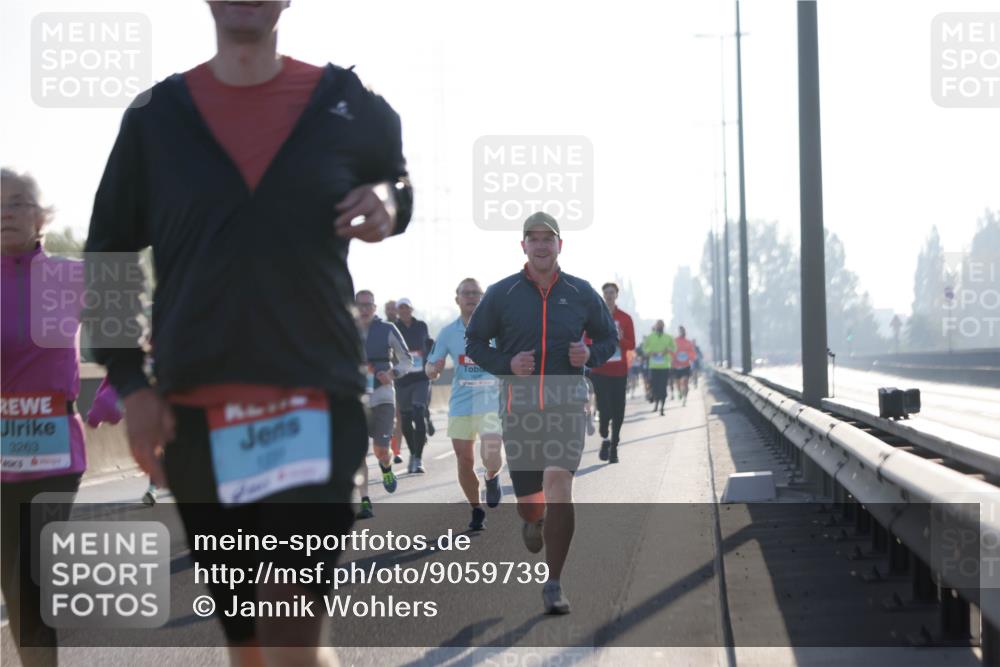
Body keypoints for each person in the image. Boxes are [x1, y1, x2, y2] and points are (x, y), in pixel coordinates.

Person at [83, 2, 413, 663]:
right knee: (249, 643)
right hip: (197, 422)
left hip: (316, 404)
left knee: (290, 622)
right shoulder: (155, 119)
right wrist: (131, 385)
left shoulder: (345, 100)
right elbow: (108, 255)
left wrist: (391, 205)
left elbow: (398, 179)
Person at [466, 212, 617, 615]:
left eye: (547, 238)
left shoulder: (581, 292)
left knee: (559, 485)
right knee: (532, 503)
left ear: (559, 245)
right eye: (533, 239)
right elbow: (475, 341)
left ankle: (553, 582)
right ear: (523, 246)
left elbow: (608, 338)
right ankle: (533, 520)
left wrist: (590, 355)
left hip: (567, 404)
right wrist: (506, 364)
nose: (541, 245)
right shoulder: (502, 293)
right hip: (520, 410)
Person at [1, 168, 121, 667]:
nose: (6, 212)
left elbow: (133, 328)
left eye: (19, 202)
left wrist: (116, 391)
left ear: (42, 216)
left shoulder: (70, 275)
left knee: (28, 583)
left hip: (51, 450)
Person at [426, 278, 504, 531]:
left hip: (491, 401)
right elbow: (430, 366)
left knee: (491, 455)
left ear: (482, 298)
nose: (471, 297)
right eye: (466, 293)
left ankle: (492, 476)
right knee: (464, 460)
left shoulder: (497, 329)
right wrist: (433, 370)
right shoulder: (448, 332)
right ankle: (476, 508)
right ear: (457, 298)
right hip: (461, 404)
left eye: (475, 293)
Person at [356, 290, 413, 519]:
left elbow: (407, 359)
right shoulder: (345, 330)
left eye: (368, 305)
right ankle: (365, 501)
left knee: (381, 450)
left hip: (383, 397)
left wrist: (393, 372)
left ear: (375, 307)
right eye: (360, 305)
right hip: (355, 399)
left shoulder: (387, 329)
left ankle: (386, 467)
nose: (364, 309)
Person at [589, 283, 635, 464]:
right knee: (604, 408)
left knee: (618, 410)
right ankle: (604, 434)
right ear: (603, 295)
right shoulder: (595, 316)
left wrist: (620, 338)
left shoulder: (625, 318)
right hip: (599, 369)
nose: (609, 295)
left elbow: (631, 345)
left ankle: (613, 446)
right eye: (606, 293)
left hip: (619, 370)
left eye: (612, 293)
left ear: (616, 295)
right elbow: (587, 339)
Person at [394, 297, 432, 473]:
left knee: (418, 412)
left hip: (421, 378)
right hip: (402, 380)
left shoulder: (421, 326)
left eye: (407, 308)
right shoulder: (393, 328)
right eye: (401, 308)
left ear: (411, 309)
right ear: (397, 311)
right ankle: (412, 452)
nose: (404, 311)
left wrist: (432, 358)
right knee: (406, 420)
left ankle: (418, 458)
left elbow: (429, 343)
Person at [642, 321, 675, 415]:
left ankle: (662, 408)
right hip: (653, 366)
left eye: (661, 325)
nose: (659, 327)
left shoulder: (668, 337)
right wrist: (650, 352)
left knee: (663, 387)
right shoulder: (650, 337)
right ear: (655, 326)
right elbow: (644, 348)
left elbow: (674, 348)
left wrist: (668, 350)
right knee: (654, 387)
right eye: (658, 325)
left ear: (663, 327)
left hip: (665, 366)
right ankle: (656, 403)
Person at [672, 326, 698, 406]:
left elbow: (692, 353)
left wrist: (690, 357)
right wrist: (672, 358)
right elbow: (671, 351)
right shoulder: (674, 341)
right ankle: (679, 392)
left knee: (685, 381)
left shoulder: (688, 342)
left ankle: (685, 398)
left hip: (686, 365)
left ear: (685, 332)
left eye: (683, 331)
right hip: (676, 365)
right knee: (678, 383)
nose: (682, 333)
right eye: (680, 331)